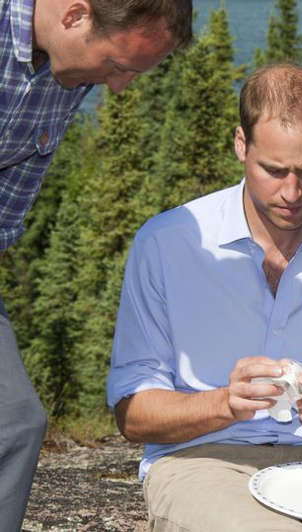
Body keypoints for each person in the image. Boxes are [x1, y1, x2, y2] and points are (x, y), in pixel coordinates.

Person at [106, 64, 302, 532]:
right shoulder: (167, 242)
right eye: (273, 171)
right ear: (241, 145)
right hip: (200, 458)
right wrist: (223, 404)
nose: (293, 193)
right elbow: (132, 413)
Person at [0, 1, 191, 529]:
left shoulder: (66, 64)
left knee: (14, 424)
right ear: (74, 15)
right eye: (117, 66)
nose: (120, 87)